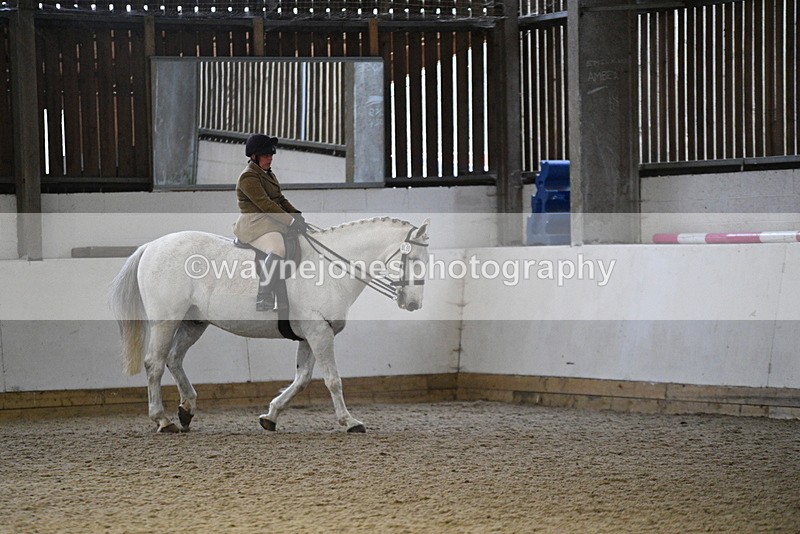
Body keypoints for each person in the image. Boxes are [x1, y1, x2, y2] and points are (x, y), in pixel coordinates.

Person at [233, 134, 309, 311]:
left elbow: (279, 199)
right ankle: (264, 296)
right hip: (253, 223)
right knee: (277, 249)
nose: (270, 159)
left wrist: (296, 215)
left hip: (269, 220)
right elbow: (266, 204)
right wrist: (290, 221)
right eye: (266, 155)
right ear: (254, 156)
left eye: (271, 155)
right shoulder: (248, 177)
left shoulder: (268, 174)